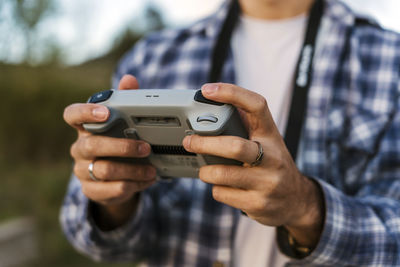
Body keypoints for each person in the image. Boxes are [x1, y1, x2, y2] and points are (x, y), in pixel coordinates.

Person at [61, 0, 400, 266]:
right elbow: (101, 246)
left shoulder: (389, 60)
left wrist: (307, 208)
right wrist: (113, 203)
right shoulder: (152, 56)